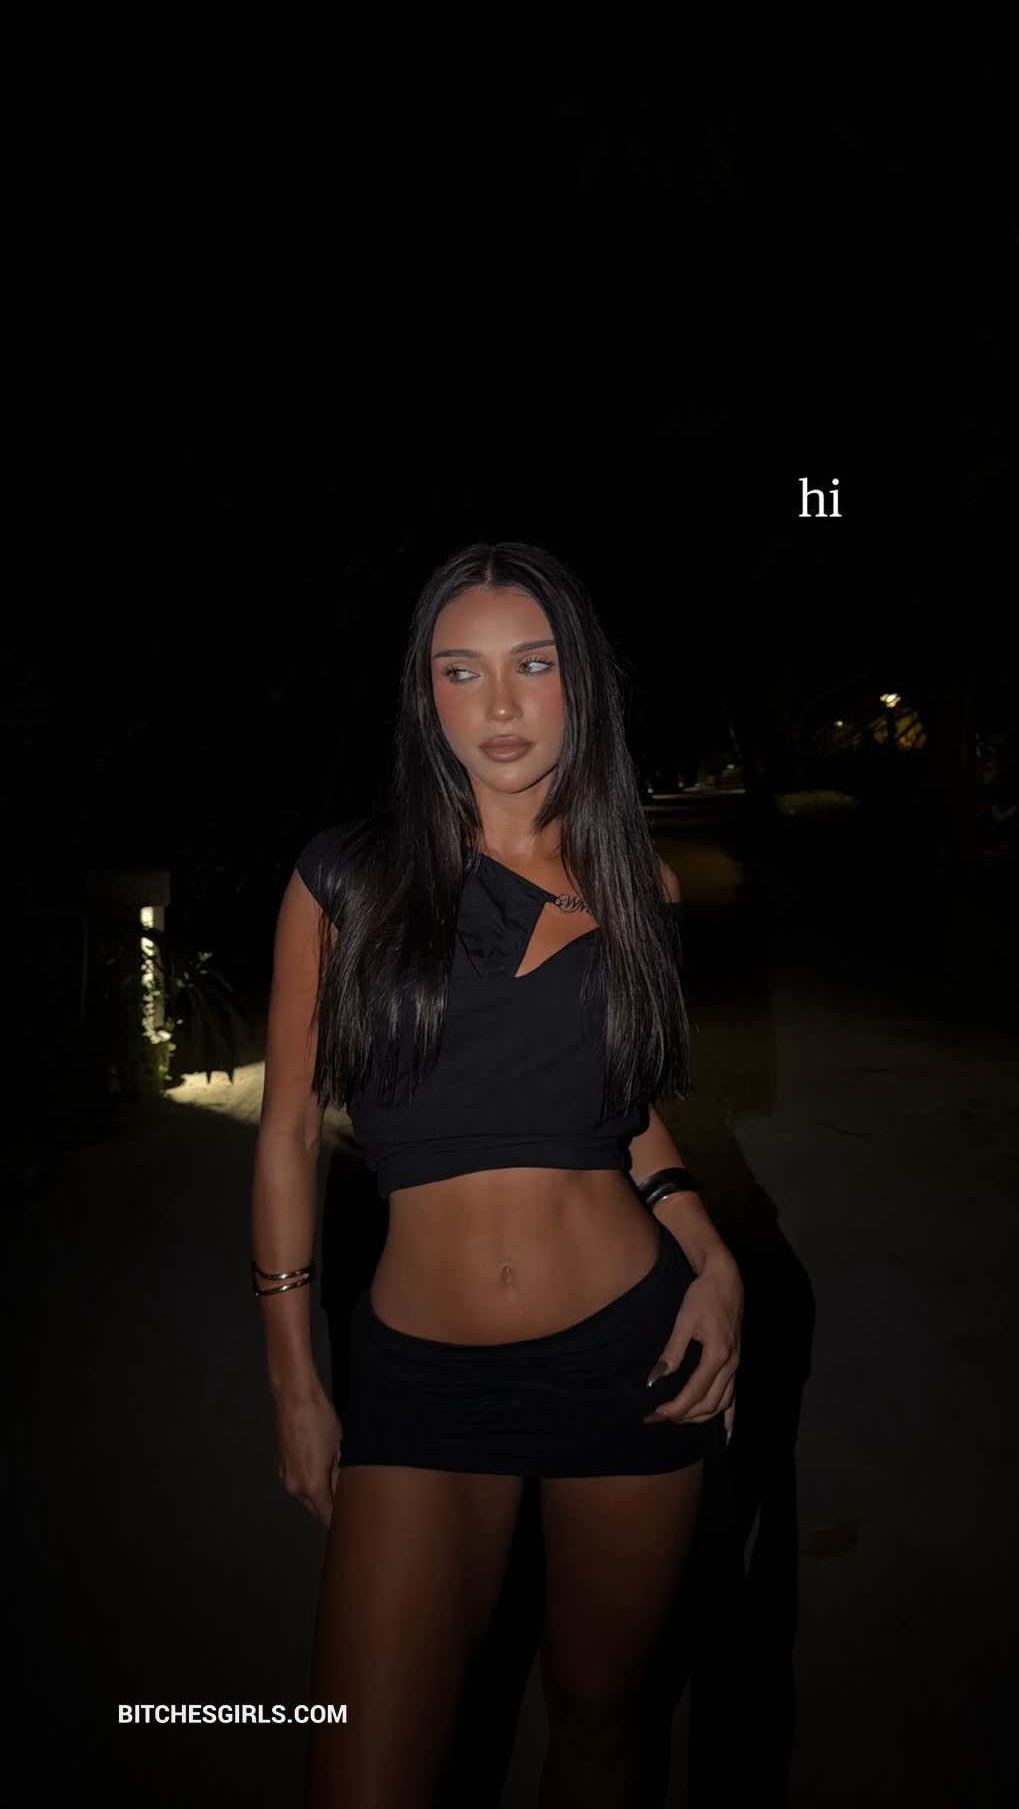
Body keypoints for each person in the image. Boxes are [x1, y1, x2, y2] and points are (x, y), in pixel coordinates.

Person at [251, 540, 745, 1808]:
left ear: (581, 680)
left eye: (533, 664)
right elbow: (289, 1130)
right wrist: (296, 1381)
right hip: (420, 1386)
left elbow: (618, 1111)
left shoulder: (640, 885)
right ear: (426, 695)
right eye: (461, 672)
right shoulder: (348, 879)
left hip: (628, 1362)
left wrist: (709, 1253)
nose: (503, 704)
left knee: (599, 1726)